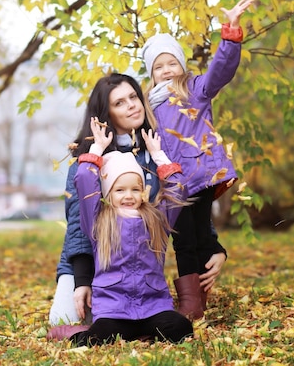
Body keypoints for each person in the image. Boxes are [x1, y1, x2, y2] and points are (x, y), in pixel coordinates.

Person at [49, 73, 227, 326]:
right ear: (106, 113)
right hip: (94, 264)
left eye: (133, 96)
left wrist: (213, 246)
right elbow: (79, 227)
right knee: (63, 320)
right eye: (119, 102)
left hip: (140, 270)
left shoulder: (156, 152)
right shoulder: (87, 162)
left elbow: (183, 202)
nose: (132, 105)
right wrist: (82, 281)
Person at [140, 0, 253, 319]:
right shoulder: (148, 103)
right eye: (158, 67)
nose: (166, 71)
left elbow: (221, 70)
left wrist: (230, 33)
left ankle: (196, 300)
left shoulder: (195, 89)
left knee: (197, 232)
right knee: (184, 240)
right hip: (171, 183)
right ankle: (194, 299)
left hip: (200, 174)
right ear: (151, 72)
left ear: (182, 65)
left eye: (171, 63)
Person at [46, 118, 193, 345]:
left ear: (143, 191)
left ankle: (141, 334)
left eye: (135, 189)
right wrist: (97, 149)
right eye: (120, 189)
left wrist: (158, 155)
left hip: (152, 306)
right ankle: (75, 333)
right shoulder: (98, 221)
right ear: (108, 193)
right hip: (114, 308)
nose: (128, 195)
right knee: (97, 337)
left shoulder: (155, 219)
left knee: (181, 328)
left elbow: (179, 190)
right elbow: (85, 179)